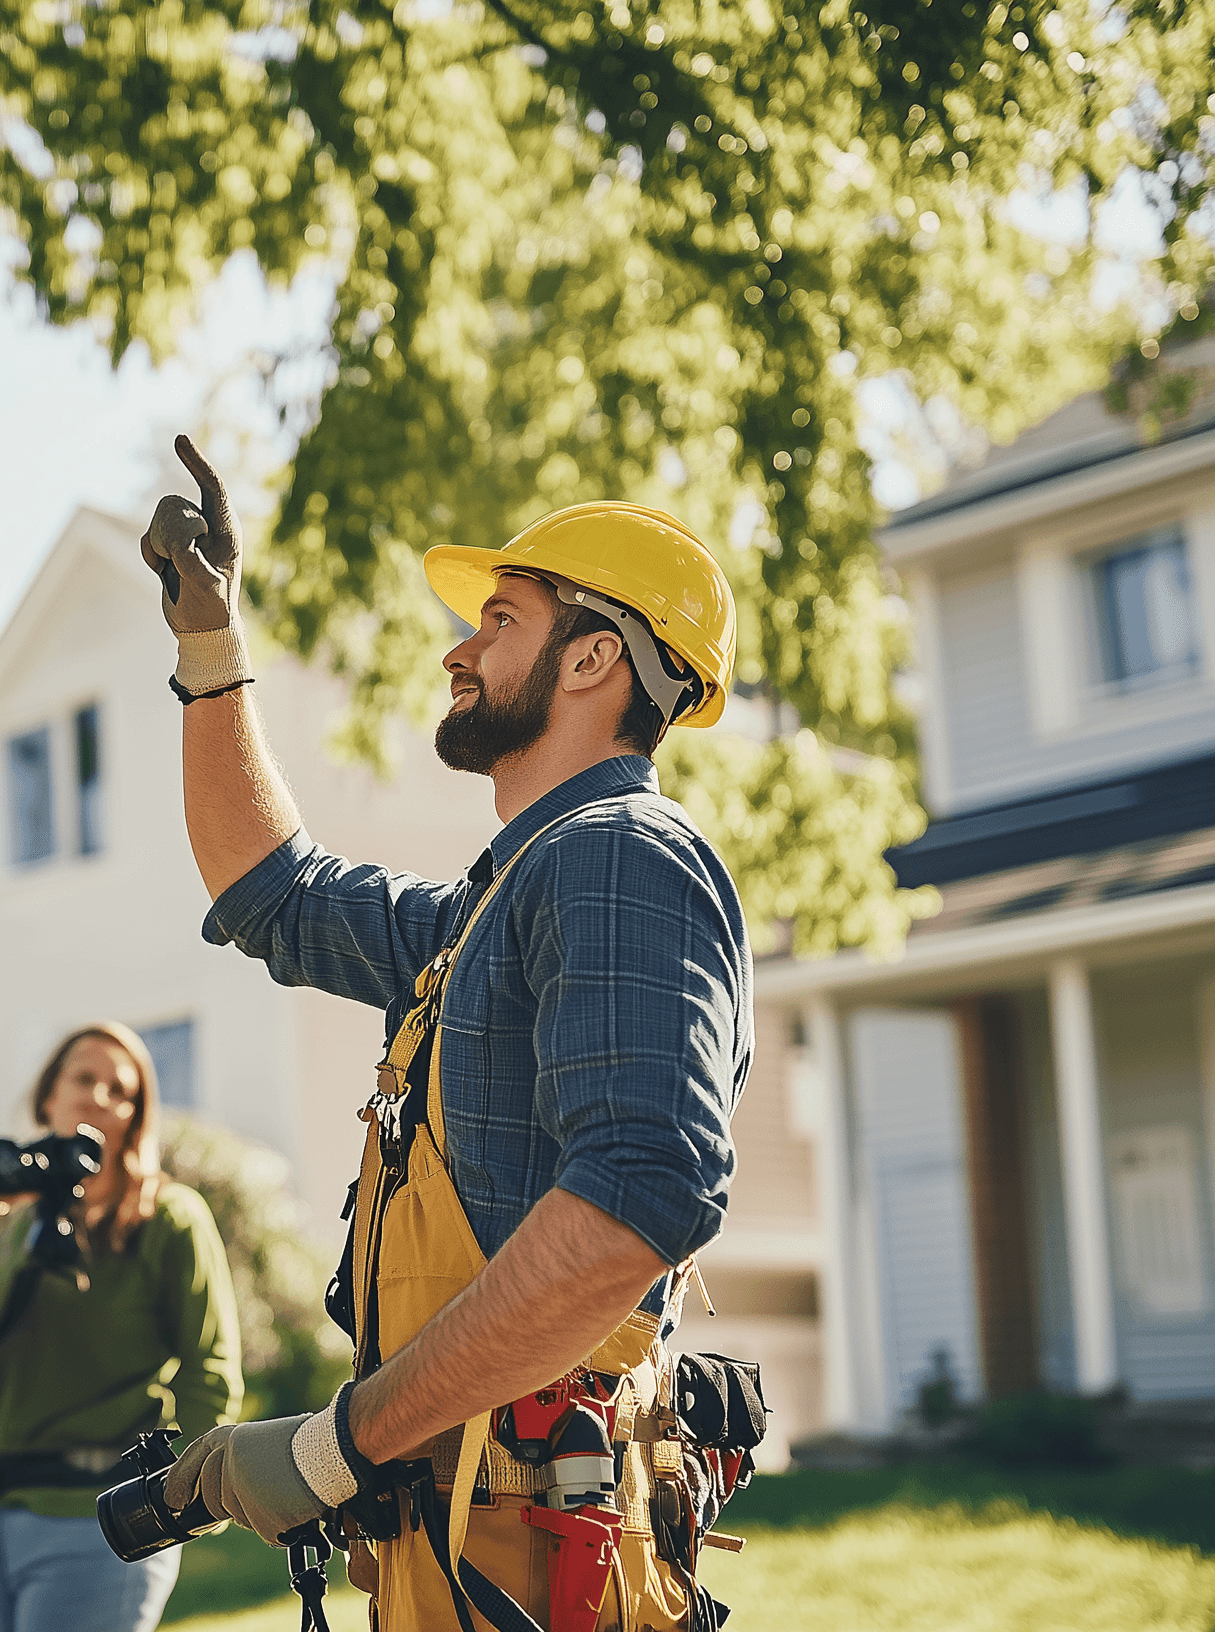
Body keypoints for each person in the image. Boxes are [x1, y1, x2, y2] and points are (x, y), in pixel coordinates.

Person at [133, 437, 754, 1630]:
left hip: (535, 1560)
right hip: (464, 1539)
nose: (456, 649)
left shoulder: (617, 859)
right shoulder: (491, 910)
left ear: (592, 659)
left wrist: (333, 1448)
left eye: (498, 620)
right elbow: (276, 895)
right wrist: (209, 648)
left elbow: (634, 1199)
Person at [0, 1022, 242, 1632]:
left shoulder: (167, 1218)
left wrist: (176, 1505)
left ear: (136, 1116)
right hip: (3, 1510)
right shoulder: (9, 1223)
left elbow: (210, 1371)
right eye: (84, 1078)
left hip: (105, 1518)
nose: (99, 1098)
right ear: (48, 1094)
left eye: (120, 1090)